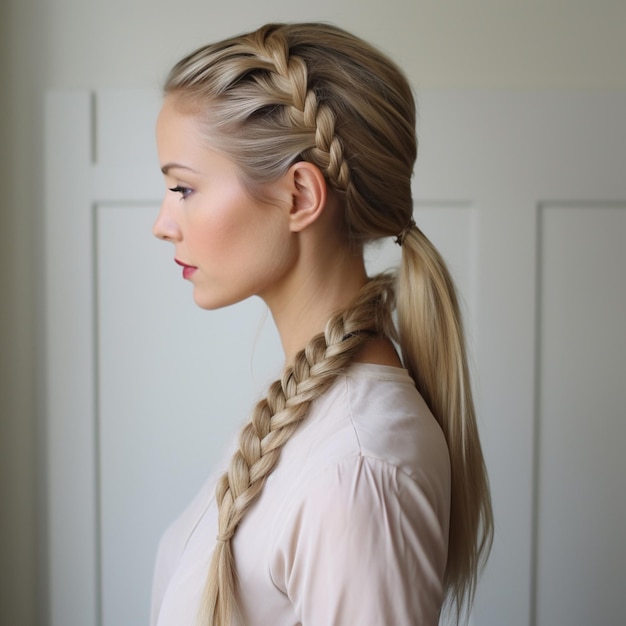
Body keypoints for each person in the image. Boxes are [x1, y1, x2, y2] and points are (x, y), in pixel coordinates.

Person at [150, 22, 493, 626]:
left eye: (183, 188)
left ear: (300, 197)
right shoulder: (304, 414)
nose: (163, 223)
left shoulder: (358, 466)